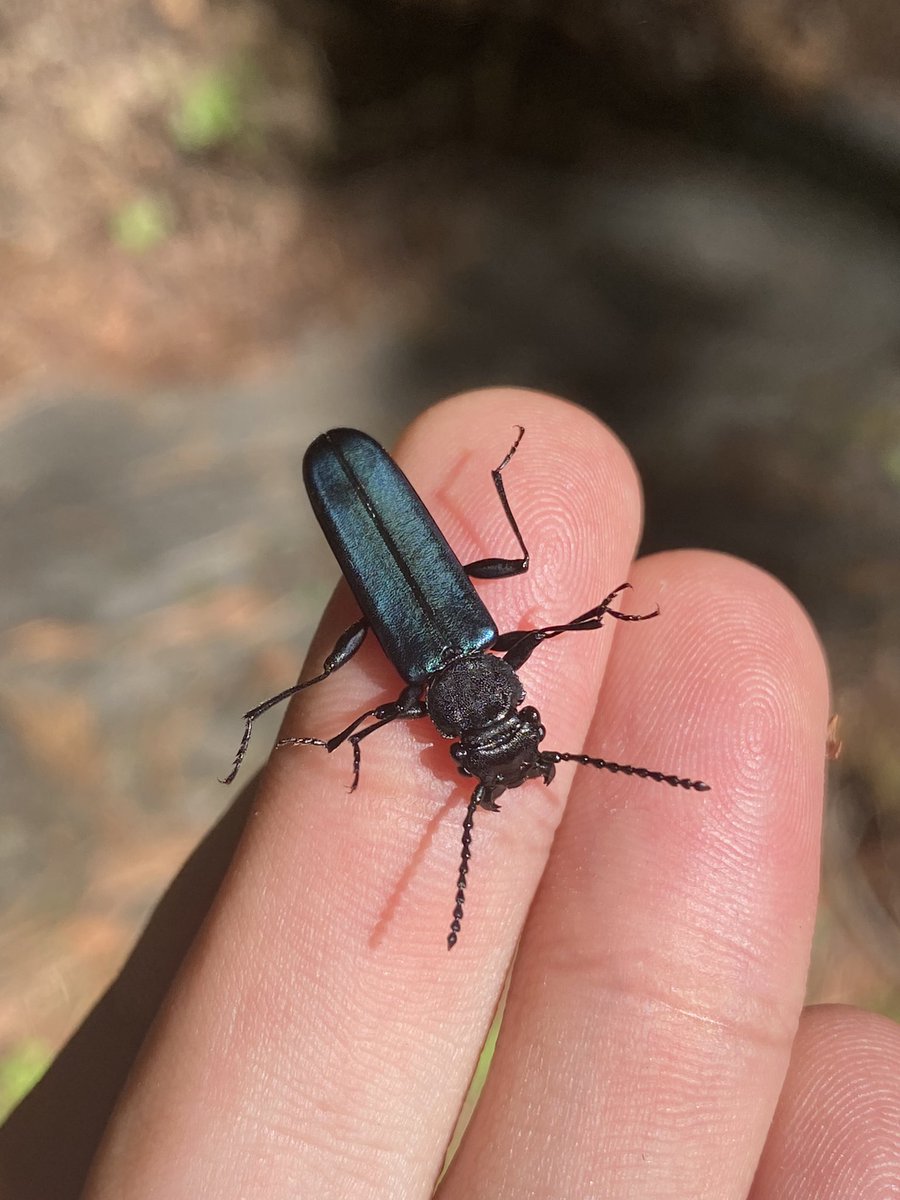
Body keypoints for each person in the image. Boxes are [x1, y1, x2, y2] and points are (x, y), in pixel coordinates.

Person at [2, 390, 897, 1199]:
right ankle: (276, 714)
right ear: (494, 711)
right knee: (456, 610)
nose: (498, 751)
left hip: (378, 526)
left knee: (464, 605)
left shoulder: (464, 656)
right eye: (508, 740)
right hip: (358, 489)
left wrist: (348, 733)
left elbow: (498, 654)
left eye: (493, 750)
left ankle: (297, 713)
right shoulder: (452, 667)